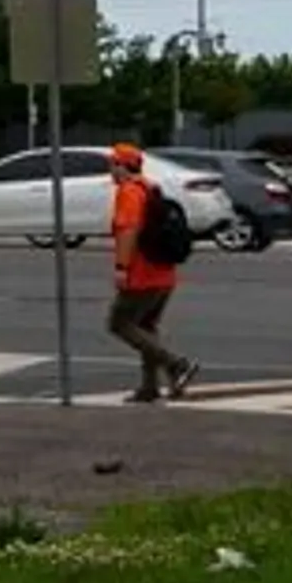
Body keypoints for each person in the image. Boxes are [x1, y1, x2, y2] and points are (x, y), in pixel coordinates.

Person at [105, 136, 198, 403]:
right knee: (146, 326)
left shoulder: (129, 192)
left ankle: (176, 364)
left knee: (119, 324)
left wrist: (121, 267)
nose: (110, 171)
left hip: (142, 275)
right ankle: (149, 387)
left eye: (112, 165)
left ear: (123, 166)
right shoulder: (151, 188)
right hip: (164, 274)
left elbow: (128, 230)